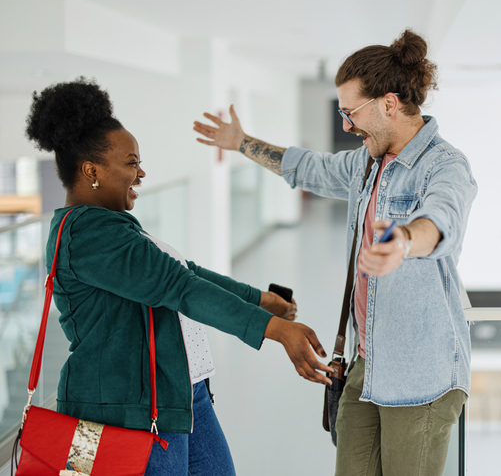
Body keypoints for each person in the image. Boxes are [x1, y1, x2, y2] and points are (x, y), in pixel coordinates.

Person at [194, 29, 478, 475]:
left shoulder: (444, 165)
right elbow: (308, 166)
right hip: (367, 362)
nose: (346, 125)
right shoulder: (367, 161)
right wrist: (241, 142)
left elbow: (443, 221)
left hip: (423, 375)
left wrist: (403, 241)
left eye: (350, 112)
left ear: (388, 103)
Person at [25, 77, 332, 476]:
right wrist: (273, 328)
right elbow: (179, 288)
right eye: (131, 163)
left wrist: (256, 298)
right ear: (91, 170)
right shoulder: (88, 234)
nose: (141, 173)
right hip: (129, 410)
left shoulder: (114, 224)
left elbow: (183, 271)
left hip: (181, 393)